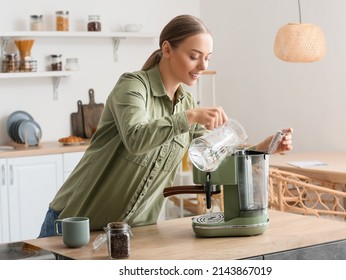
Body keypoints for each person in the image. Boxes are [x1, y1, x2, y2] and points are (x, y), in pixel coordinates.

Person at [38, 14, 293, 238]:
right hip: (75, 224)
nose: (203, 66)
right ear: (167, 49)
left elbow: (209, 160)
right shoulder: (133, 86)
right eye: (194, 56)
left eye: (207, 58)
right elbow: (136, 139)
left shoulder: (187, 102)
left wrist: (261, 150)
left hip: (133, 232)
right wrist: (189, 117)